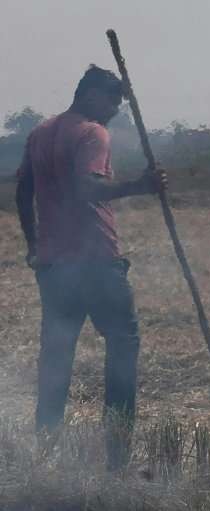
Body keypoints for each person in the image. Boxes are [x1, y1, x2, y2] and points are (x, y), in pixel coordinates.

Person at [15, 64, 167, 471]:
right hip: (96, 262)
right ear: (90, 94)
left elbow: (22, 190)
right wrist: (141, 186)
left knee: (56, 357)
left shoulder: (41, 132)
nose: (116, 110)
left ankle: (43, 458)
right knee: (122, 347)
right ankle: (116, 461)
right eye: (112, 101)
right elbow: (88, 189)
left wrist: (35, 247)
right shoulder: (92, 133)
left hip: (54, 268)